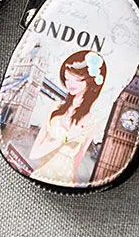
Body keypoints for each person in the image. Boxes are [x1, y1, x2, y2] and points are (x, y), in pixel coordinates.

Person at [29, 50, 106, 186]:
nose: (70, 83)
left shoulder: (92, 123)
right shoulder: (55, 108)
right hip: (42, 175)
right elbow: (34, 154)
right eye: (67, 78)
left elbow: (78, 159)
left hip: (67, 181)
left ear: (90, 83)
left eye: (76, 79)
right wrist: (65, 139)